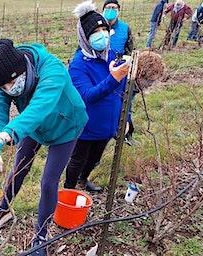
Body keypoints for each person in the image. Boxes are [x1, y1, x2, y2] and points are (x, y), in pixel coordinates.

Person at [0, 39, 88, 255]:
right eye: (3, 87)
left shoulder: (51, 69)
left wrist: (6, 134)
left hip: (66, 126)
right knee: (18, 169)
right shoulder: (2, 77)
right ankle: (2, 210)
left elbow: (39, 107)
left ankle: (41, 235)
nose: (10, 89)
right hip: (32, 126)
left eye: (12, 83)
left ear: (23, 68)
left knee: (48, 182)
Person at [64, 1, 130, 192]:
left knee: (95, 158)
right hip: (87, 125)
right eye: (95, 31)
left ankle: (83, 180)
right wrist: (113, 78)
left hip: (108, 124)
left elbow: (123, 91)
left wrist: (126, 118)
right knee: (78, 159)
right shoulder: (78, 65)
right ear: (85, 36)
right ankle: (69, 190)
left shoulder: (114, 56)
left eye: (103, 29)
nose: (101, 34)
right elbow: (87, 96)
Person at [101, 0, 136, 144]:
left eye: (113, 8)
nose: (111, 10)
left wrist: (129, 64)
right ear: (102, 10)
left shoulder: (125, 28)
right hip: (101, 68)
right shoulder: (97, 27)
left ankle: (125, 132)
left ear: (118, 11)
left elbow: (130, 49)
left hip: (119, 69)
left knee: (124, 101)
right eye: (108, 7)